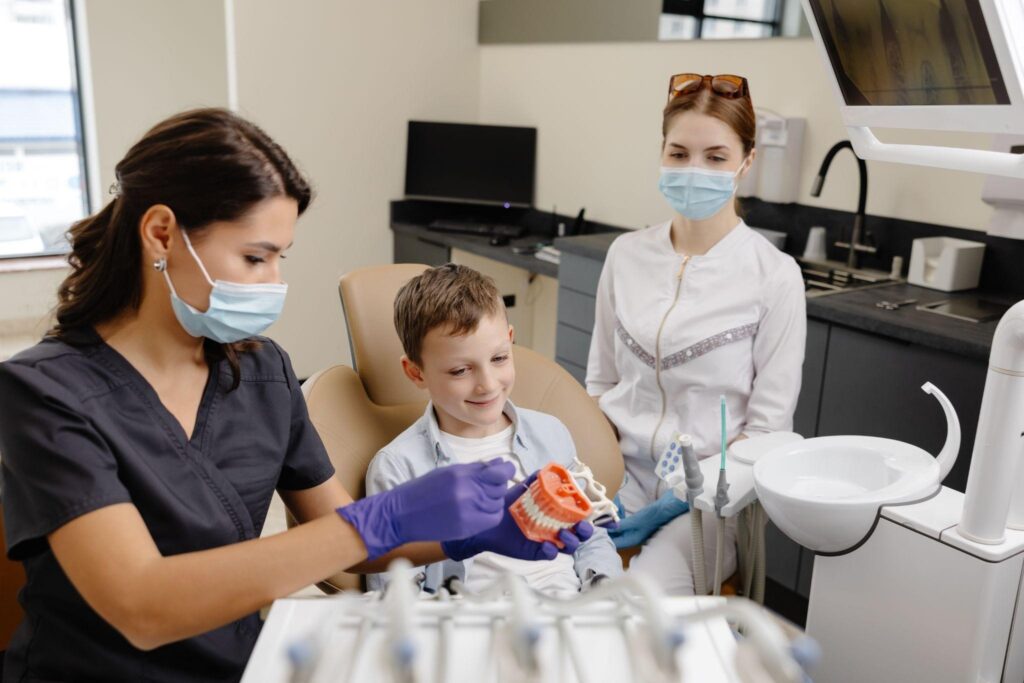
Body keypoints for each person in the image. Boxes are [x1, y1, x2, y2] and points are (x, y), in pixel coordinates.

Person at [0, 108, 590, 682]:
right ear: (161, 234)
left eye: (281, 257)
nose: (274, 283)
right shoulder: (46, 393)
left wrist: (461, 537)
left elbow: (348, 546)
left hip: (240, 664)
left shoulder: (262, 375)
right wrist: (388, 513)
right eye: (255, 257)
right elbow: (142, 606)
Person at [587, 74, 806, 594]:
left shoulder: (774, 277)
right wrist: (596, 476)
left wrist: (689, 494)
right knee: (553, 580)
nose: (693, 170)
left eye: (715, 157)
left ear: (746, 162)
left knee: (643, 602)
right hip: (619, 477)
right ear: (661, 152)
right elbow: (599, 384)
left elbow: (768, 433)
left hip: (710, 498)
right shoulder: (626, 256)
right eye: (679, 153)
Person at [365, 264, 623, 594]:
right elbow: (396, 589)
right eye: (460, 370)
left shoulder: (550, 433)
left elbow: (591, 537)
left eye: (499, 358)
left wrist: (602, 585)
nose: (487, 385)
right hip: (472, 626)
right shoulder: (399, 467)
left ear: (511, 341)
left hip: (573, 609)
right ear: (416, 373)